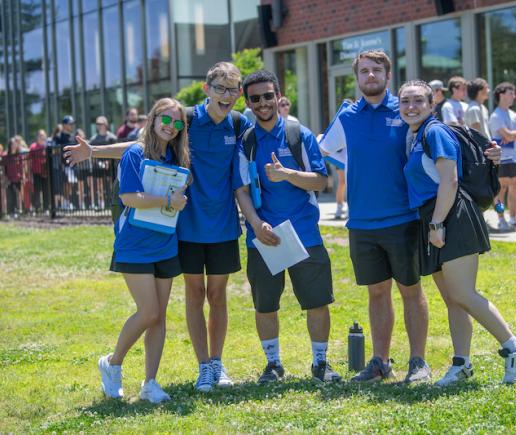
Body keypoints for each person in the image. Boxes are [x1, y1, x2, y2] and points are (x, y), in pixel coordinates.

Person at [64, 62, 252, 393]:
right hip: (185, 227)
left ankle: (211, 364)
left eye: (232, 89)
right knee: (191, 296)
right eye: (220, 87)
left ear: (239, 93)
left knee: (217, 296)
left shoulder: (238, 124)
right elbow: (141, 146)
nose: (226, 94)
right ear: (206, 89)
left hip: (223, 224)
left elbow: (254, 155)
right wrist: (94, 151)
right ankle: (202, 366)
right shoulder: (186, 120)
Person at [398, 79, 516, 385]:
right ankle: (461, 364)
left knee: (463, 293)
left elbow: (450, 181)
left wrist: (436, 224)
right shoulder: (413, 134)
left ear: (431, 104)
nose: (411, 107)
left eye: (418, 101)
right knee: (453, 299)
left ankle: (515, 347)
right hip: (432, 218)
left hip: (450, 216)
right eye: (405, 101)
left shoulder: (434, 131)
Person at [319, 50, 431, 384]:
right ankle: (380, 362)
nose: (370, 76)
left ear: (388, 75)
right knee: (377, 293)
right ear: (357, 77)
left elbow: (437, 139)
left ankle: (418, 363)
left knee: (411, 290)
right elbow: (325, 148)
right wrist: (350, 162)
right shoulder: (348, 116)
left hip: (403, 219)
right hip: (362, 223)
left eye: (376, 70)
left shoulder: (406, 108)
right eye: (364, 71)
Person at [235, 70, 341, 383]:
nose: (263, 103)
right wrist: (255, 224)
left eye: (268, 95)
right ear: (249, 103)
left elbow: (322, 180)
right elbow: (241, 189)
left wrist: (288, 174)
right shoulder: (246, 142)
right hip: (264, 237)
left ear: (278, 96)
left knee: (317, 302)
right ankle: (273, 365)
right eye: (255, 98)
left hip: (304, 233)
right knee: (265, 305)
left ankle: (321, 364)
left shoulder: (299, 134)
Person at [97, 97, 189, 403]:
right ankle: (112, 364)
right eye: (166, 119)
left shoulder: (175, 157)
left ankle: (150, 382)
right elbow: (130, 198)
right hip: (135, 246)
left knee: (159, 316)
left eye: (177, 123)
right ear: (152, 118)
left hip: (165, 243)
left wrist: (179, 199)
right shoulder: (135, 153)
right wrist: (168, 201)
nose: (170, 126)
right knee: (148, 312)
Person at [489, 82, 516, 230]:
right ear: (501, 95)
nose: (514, 96)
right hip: (502, 158)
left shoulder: (515, 115)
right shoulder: (495, 115)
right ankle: (501, 219)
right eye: (511, 93)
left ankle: (513, 219)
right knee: (501, 190)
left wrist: (513, 135)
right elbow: (507, 135)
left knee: (515, 188)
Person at [89, 116, 118, 209]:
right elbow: (91, 153)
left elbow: (116, 151)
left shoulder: (112, 137)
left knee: (111, 184)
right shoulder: (93, 139)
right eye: (97, 124)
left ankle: (110, 201)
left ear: (106, 124)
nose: (99, 126)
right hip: (97, 166)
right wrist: (98, 162)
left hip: (110, 166)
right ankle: (100, 203)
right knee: (98, 184)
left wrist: (108, 161)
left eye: (101, 124)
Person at [3, 136, 26, 217]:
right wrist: (5, 178)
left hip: (18, 178)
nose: (13, 146)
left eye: (15, 144)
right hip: (9, 179)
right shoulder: (5, 156)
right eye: (12, 144)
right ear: (10, 145)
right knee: (11, 195)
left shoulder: (19, 155)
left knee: (18, 195)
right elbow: (4, 168)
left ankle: (19, 210)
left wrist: (22, 176)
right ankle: (11, 211)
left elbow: (22, 167)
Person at [29, 129, 50, 213]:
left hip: (45, 172)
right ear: (37, 137)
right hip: (36, 172)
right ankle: (37, 208)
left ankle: (46, 208)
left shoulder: (47, 146)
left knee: (46, 190)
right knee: (37, 191)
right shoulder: (33, 147)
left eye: (43, 135)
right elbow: (29, 159)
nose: (42, 137)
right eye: (40, 135)